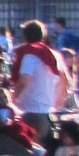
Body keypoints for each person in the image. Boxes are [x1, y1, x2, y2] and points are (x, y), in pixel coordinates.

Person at [10, 20, 66, 148]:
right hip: (48, 114)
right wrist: (57, 104)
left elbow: (24, 81)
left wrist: (12, 100)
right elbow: (65, 81)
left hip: (29, 112)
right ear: (44, 36)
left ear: (25, 36)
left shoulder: (29, 55)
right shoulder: (56, 55)